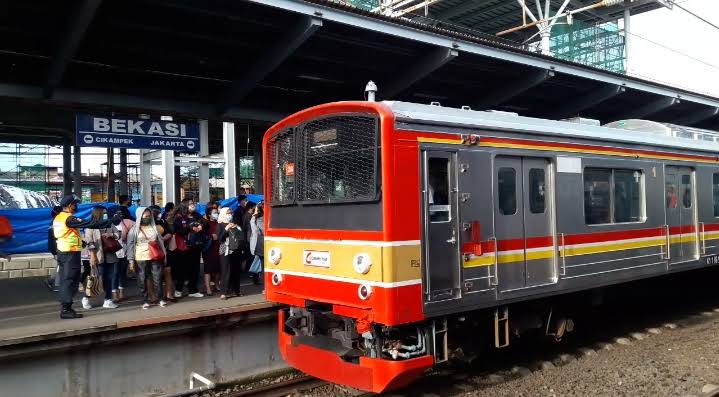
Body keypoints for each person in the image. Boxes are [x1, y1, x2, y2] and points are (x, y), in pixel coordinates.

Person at [53, 195, 118, 319]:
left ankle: (66, 307)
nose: (76, 206)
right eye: (75, 204)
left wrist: (81, 243)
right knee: (70, 279)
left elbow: (66, 234)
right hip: (69, 253)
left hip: (65, 251)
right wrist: (110, 221)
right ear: (69, 205)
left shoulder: (59, 218)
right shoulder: (68, 218)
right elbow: (89, 223)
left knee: (67, 279)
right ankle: (66, 309)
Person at [127, 207, 168, 309]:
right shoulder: (133, 230)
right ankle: (144, 300)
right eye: (146, 216)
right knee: (142, 279)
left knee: (157, 278)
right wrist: (131, 260)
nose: (148, 218)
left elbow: (160, 242)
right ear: (140, 216)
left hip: (155, 256)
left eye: (149, 216)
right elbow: (130, 245)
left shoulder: (154, 227)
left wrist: (165, 254)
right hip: (140, 257)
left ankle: (160, 299)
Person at [84, 206, 121, 309]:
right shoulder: (90, 225)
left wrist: (111, 234)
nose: (105, 214)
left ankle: (108, 300)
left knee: (108, 278)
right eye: (104, 213)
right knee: (96, 278)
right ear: (98, 213)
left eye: (106, 213)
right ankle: (86, 297)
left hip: (110, 255)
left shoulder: (109, 223)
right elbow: (89, 241)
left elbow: (118, 234)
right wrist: (92, 255)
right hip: (98, 255)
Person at [173, 201, 204, 298]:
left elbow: (204, 222)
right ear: (185, 206)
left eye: (193, 203)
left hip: (196, 245)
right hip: (184, 247)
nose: (193, 205)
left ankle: (193, 290)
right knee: (182, 269)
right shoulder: (179, 217)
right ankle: (178, 289)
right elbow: (179, 231)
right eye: (190, 204)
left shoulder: (197, 215)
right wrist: (190, 228)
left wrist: (201, 226)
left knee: (195, 269)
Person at [152, 205, 175, 302]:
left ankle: (169, 294)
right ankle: (153, 296)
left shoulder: (162, 221)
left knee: (168, 271)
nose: (157, 214)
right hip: (152, 251)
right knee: (152, 274)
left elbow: (169, 232)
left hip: (164, 249)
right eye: (155, 212)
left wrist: (162, 239)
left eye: (158, 212)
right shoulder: (146, 223)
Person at [217, 207, 242, 299]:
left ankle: (236, 291)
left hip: (235, 249)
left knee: (236, 270)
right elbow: (220, 238)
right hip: (225, 249)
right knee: (226, 270)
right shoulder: (220, 224)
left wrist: (238, 228)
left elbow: (241, 236)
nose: (230, 214)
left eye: (231, 212)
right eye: (228, 213)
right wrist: (226, 229)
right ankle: (224, 292)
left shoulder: (234, 223)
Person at [113, 208, 135, 302]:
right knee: (114, 273)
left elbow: (136, 227)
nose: (119, 216)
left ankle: (121, 293)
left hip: (124, 251)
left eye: (120, 214)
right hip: (113, 252)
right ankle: (114, 293)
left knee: (122, 273)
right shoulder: (110, 223)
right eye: (118, 214)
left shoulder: (126, 222)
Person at [202, 206, 220, 296]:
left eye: (217, 212)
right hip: (209, 248)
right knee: (208, 269)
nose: (216, 214)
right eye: (214, 212)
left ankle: (217, 284)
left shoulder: (219, 223)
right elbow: (202, 235)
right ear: (209, 214)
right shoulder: (206, 223)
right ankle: (208, 288)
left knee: (218, 268)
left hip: (219, 247)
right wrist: (211, 237)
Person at [45, 205, 63, 292]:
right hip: (57, 247)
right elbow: (56, 237)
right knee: (60, 266)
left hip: (56, 247)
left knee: (60, 265)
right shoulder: (55, 223)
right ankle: (56, 284)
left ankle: (51, 281)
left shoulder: (54, 222)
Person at [249, 203, 265, 286]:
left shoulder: (255, 219)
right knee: (263, 265)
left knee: (261, 264)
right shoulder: (260, 219)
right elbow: (256, 232)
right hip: (261, 244)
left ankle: (260, 282)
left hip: (258, 244)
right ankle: (263, 284)